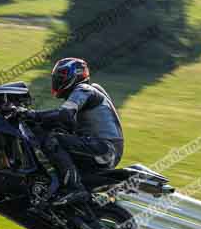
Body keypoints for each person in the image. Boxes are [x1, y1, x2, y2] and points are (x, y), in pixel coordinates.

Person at [17, 57, 124, 206]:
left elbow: (64, 115)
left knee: (53, 140)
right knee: (56, 133)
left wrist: (32, 115)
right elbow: (66, 122)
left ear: (75, 76)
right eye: (57, 77)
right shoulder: (86, 92)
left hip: (104, 148)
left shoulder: (84, 89)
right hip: (103, 148)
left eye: (61, 77)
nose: (57, 81)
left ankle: (74, 188)